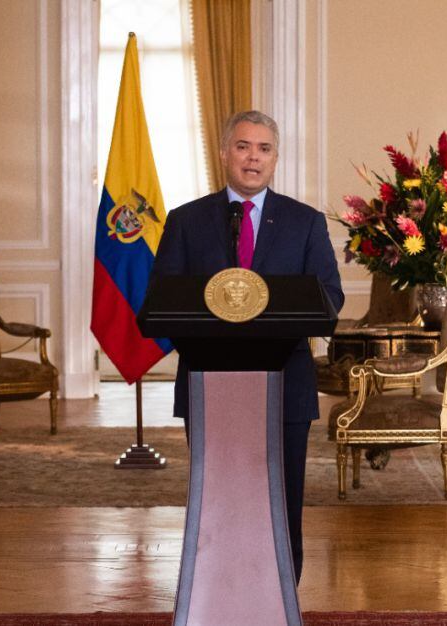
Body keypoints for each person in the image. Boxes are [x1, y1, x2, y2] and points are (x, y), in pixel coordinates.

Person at [150, 110, 344, 582]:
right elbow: (161, 301)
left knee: (280, 500)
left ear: (275, 159)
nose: (252, 158)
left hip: (285, 386)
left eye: (263, 149)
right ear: (223, 154)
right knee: (218, 499)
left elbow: (330, 300)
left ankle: (279, 596)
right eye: (242, 146)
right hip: (208, 382)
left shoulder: (304, 222)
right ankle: (216, 591)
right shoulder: (186, 221)